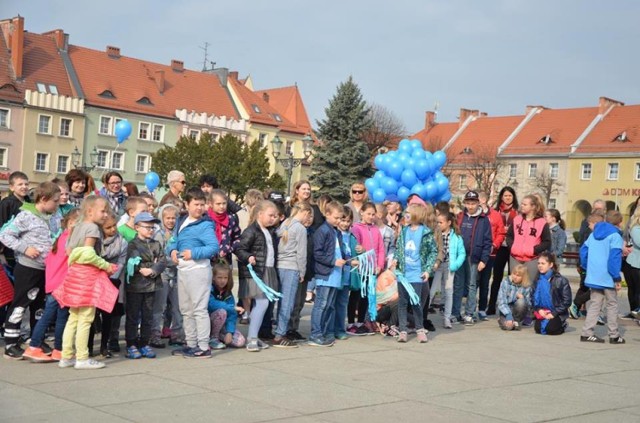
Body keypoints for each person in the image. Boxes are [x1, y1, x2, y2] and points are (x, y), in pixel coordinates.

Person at [55, 196, 118, 369]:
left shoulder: (77, 227)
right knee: (86, 318)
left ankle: (66, 356)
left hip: (74, 274)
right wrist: (106, 266)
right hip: (87, 277)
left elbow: (69, 250)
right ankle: (82, 357)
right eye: (103, 211)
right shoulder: (92, 228)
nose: (106, 215)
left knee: (73, 318)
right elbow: (88, 254)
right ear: (90, 211)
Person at [0, 182, 60, 359]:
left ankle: (36, 339)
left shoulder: (53, 217)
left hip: (46, 268)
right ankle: (11, 344)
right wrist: (25, 248)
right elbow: (5, 234)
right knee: (20, 304)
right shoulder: (26, 215)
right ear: (43, 199)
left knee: (39, 306)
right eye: (55, 201)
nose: (58, 204)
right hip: (28, 268)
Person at [167, 187, 219, 358]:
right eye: (196, 204)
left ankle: (204, 346)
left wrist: (193, 253)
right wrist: (172, 251)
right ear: (187, 204)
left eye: (202, 204)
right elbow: (173, 240)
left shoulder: (205, 225)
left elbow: (213, 247)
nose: (199, 208)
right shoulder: (181, 221)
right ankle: (191, 344)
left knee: (199, 309)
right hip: (183, 270)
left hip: (198, 270)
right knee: (186, 309)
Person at [23, 210, 79, 362]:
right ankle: (39, 347)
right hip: (61, 284)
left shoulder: (60, 238)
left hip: (54, 283)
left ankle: (54, 349)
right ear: (72, 223)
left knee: (55, 317)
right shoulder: (70, 240)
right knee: (54, 317)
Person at [235, 200, 279, 352]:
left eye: (275, 216)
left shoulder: (269, 231)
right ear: (260, 214)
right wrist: (248, 257)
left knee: (263, 305)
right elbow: (240, 248)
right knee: (261, 304)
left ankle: (254, 336)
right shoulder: (251, 231)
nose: (273, 218)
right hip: (256, 271)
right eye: (270, 215)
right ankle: (252, 338)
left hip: (267, 270)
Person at [391, 203, 438, 342]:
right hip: (403, 274)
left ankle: (419, 328)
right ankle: (403, 331)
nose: (406, 214)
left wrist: (428, 270)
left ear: (416, 215)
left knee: (416, 302)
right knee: (402, 303)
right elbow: (399, 249)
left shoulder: (426, 232)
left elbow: (433, 252)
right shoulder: (404, 231)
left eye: (408, 212)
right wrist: (395, 260)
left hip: (417, 274)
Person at [124, 212, 167, 359]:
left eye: (152, 227)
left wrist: (153, 269)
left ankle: (144, 343)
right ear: (137, 227)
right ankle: (131, 344)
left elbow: (162, 261)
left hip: (152, 285)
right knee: (133, 316)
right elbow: (134, 263)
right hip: (135, 287)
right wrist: (148, 265)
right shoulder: (132, 244)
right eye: (147, 227)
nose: (150, 230)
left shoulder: (156, 244)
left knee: (148, 315)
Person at [580, 211, 625, 343]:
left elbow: (583, 251)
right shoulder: (615, 236)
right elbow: (614, 258)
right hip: (608, 276)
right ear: (619, 223)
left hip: (594, 275)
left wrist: (587, 267)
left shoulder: (593, 235)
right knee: (611, 304)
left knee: (595, 304)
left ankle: (587, 332)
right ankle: (613, 335)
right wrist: (616, 277)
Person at [273, 202, 312, 348]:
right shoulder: (300, 228)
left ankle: (278, 330)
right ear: (305, 212)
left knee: (281, 301)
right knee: (288, 302)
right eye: (309, 215)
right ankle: (280, 334)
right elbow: (301, 253)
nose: (308, 218)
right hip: (292, 267)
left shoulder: (285, 224)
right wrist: (302, 271)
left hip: (280, 265)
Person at [452, 191, 492, 325]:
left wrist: (484, 259)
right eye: (468, 203)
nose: (470, 206)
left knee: (471, 284)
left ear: (478, 203)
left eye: (473, 203)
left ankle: (469, 313)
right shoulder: (460, 217)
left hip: (474, 257)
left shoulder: (483, 219)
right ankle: (456, 312)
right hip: (459, 256)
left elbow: (488, 241)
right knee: (458, 285)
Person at [308, 201, 345, 347]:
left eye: (340, 218)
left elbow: (339, 251)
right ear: (327, 214)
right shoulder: (323, 230)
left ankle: (322, 332)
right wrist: (333, 261)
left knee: (329, 305)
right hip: (325, 274)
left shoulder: (336, 232)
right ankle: (315, 334)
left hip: (335, 275)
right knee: (321, 305)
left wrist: (347, 261)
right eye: (336, 218)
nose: (339, 221)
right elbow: (317, 254)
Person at [348, 202, 385, 335]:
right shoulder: (356, 228)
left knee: (366, 296)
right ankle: (351, 322)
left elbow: (381, 249)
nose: (371, 216)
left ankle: (361, 321)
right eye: (368, 213)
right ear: (361, 213)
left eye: (373, 214)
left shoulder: (376, 229)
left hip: (372, 268)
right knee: (356, 294)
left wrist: (379, 265)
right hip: (360, 267)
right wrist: (363, 252)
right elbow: (355, 247)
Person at [95, 212, 128, 357]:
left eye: (114, 226)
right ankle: (88, 347)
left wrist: (110, 275)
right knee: (92, 316)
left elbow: (121, 262)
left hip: (113, 278)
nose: (113, 229)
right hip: (95, 279)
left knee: (109, 315)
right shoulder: (95, 241)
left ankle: (105, 346)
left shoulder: (122, 241)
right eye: (108, 227)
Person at [151, 204, 183, 348]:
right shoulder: (159, 235)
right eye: (167, 218)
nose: (171, 221)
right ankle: (155, 335)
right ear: (162, 218)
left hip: (177, 275)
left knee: (177, 307)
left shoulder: (179, 234)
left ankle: (176, 334)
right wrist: (174, 260)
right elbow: (159, 256)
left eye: (173, 218)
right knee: (160, 307)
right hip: (163, 275)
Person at [569, 201, 607, 319]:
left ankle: (588, 309)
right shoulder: (588, 226)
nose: (597, 211)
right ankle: (577, 305)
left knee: (596, 288)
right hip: (589, 263)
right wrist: (583, 263)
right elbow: (583, 245)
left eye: (600, 209)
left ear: (604, 211)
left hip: (598, 263)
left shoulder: (606, 226)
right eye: (595, 209)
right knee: (590, 287)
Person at [506, 194, 551, 285]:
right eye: (521, 204)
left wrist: (534, 250)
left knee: (529, 285)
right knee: (514, 284)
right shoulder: (517, 219)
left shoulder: (542, 222)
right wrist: (512, 247)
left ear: (533, 207)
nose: (522, 206)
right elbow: (509, 236)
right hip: (515, 257)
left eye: (525, 204)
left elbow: (547, 241)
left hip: (532, 259)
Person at [487, 186, 518, 316]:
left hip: (512, 248)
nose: (507, 198)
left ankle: (511, 306)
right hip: (499, 248)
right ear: (501, 197)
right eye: (505, 196)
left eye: (510, 196)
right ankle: (492, 306)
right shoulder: (495, 212)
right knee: (497, 278)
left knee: (513, 278)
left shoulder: (517, 212)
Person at [432, 211, 466, 329]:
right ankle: (423, 316)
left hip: (449, 266)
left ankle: (447, 318)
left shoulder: (456, 237)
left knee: (448, 292)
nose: (439, 224)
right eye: (437, 222)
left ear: (449, 223)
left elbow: (462, 253)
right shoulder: (435, 235)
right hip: (437, 266)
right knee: (431, 291)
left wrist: (455, 265)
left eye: (441, 222)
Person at [286, 208, 315, 342]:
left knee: (300, 302)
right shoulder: (296, 230)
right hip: (296, 270)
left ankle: (294, 328)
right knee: (293, 301)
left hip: (306, 272)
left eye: (311, 217)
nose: (309, 219)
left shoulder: (312, 232)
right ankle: (288, 328)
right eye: (307, 216)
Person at [330, 206, 357, 340]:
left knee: (342, 304)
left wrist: (360, 250)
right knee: (331, 303)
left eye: (348, 221)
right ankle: (329, 329)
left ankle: (340, 329)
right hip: (335, 274)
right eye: (343, 220)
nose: (345, 224)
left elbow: (352, 253)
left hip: (347, 275)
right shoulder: (334, 234)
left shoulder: (352, 236)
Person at [477, 191, 505, 321]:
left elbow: (501, 232)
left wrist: (495, 244)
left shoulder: (495, 215)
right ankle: (469, 308)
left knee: (484, 281)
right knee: (472, 282)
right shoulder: (471, 215)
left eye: (477, 200)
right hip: (475, 252)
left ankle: (482, 308)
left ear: (483, 200)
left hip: (490, 253)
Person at [531, 252, 571, 336]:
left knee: (551, 329)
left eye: (543, 263)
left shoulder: (561, 280)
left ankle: (563, 324)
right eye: (538, 263)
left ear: (550, 265)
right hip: (542, 311)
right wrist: (539, 310)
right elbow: (532, 297)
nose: (540, 266)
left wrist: (554, 313)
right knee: (538, 329)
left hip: (557, 312)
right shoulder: (537, 279)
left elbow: (567, 301)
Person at [208, 262, 246, 349]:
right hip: (209, 323)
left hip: (222, 325)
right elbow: (211, 304)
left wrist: (230, 331)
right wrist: (232, 307)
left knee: (240, 342)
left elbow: (232, 315)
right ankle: (213, 339)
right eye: (219, 277)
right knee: (222, 312)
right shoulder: (210, 289)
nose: (222, 280)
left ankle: (221, 336)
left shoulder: (228, 293)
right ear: (213, 278)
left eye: (225, 278)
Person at [207, 190, 241, 265]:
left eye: (224, 203)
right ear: (210, 204)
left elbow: (237, 237)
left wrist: (229, 248)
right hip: (207, 261)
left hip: (226, 261)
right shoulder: (205, 219)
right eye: (218, 204)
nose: (221, 206)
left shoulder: (231, 219)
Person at [496, 264, 532, 331]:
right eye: (514, 274)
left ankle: (516, 321)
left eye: (518, 276)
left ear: (523, 277)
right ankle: (504, 319)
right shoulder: (505, 282)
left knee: (521, 301)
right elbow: (501, 301)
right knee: (508, 327)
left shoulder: (527, 286)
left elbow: (529, 304)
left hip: (517, 311)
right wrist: (508, 315)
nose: (515, 277)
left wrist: (523, 298)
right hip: (505, 310)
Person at [622, 196, 640, 319]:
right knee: (633, 287)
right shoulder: (634, 224)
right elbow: (625, 237)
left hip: (635, 258)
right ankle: (634, 310)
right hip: (632, 259)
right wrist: (624, 247)